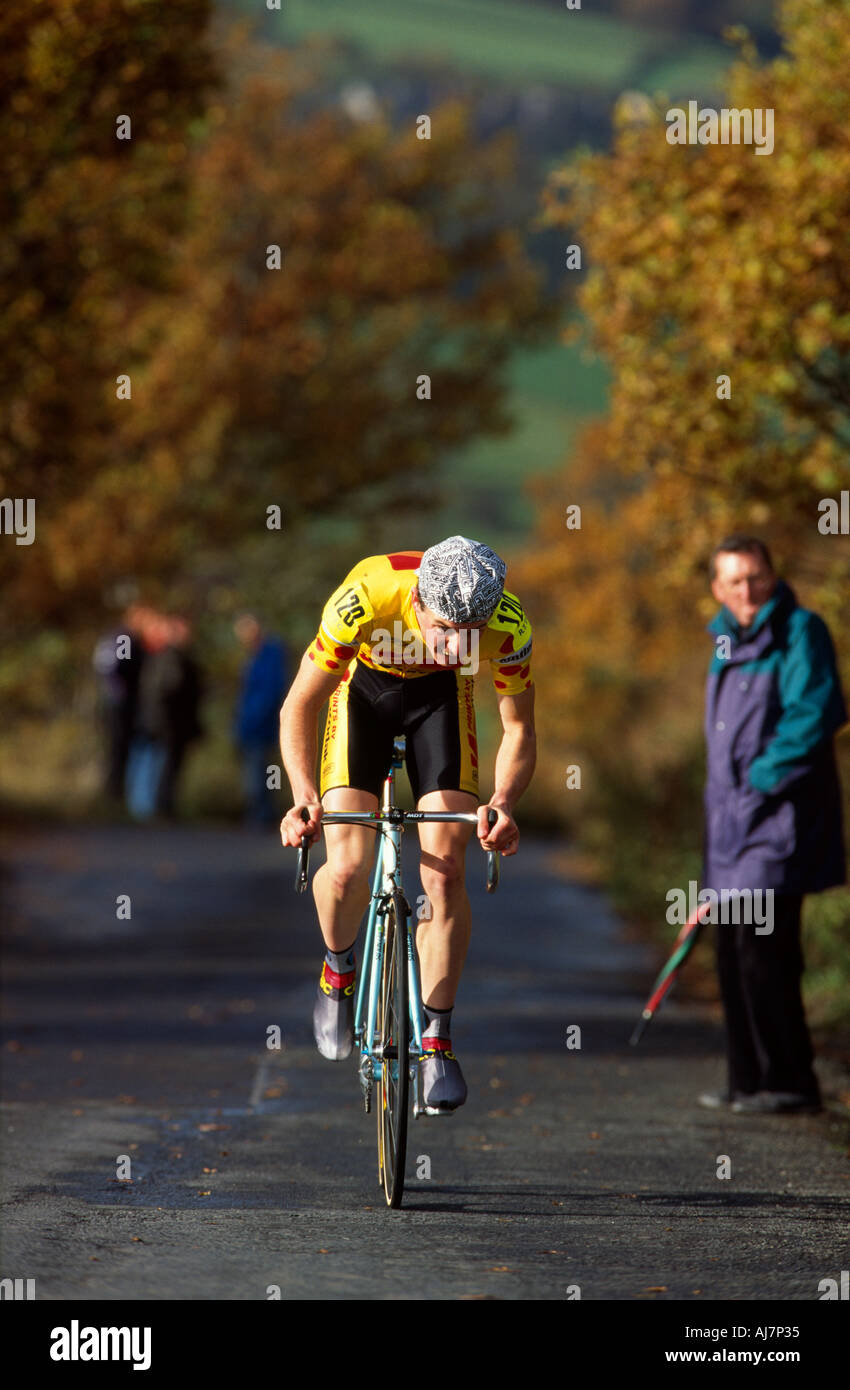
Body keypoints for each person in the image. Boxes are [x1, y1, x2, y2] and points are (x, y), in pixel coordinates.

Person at [279, 537, 536, 1111]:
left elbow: (517, 727)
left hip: (440, 704)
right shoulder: (366, 597)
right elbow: (299, 703)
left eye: (469, 634)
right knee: (346, 865)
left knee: (444, 873)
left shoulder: (509, 622)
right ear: (417, 600)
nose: (454, 644)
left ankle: (436, 1040)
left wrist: (503, 801)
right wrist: (302, 797)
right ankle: (337, 969)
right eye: (444, 628)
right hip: (362, 694)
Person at [698, 535, 847, 1115]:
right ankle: (747, 1081)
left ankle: (790, 1082)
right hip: (730, 824)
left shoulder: (800, 630)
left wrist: (760, 780)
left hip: (778, 820)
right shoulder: (722, 641)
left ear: (772, 574)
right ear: (717, 587)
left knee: (765, 948)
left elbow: (816, 714)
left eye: (756, 577)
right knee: (731, 950)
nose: (747, 591)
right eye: (734, 581)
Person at [233, 614, 289, 826]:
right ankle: (263, 811)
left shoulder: (269, 655)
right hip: (253, 724)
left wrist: (254, 718)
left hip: (261, 725)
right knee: (262, 771)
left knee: (263, 772)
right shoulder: (256, 655)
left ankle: (264, 813)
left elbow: (270, 691)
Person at [92, 603, 148, 803]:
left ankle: (117, 795)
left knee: (121, 751)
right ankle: (113, 795)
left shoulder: (126, 638)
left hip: (121, 703)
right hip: (119, 706)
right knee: (117, 751)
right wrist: (122, 696)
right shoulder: (125, 637)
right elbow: (117, 669)